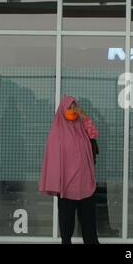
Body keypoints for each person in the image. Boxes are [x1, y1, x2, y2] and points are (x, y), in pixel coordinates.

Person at [39, 95, 99, 244]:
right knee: (66, 230)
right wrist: (56, 184)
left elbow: (94, 134)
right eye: (69, 107)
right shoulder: (57, 132)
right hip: (66, 188)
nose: (72, 110)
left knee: (89, 228)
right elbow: (52, 161)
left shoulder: (81, 127)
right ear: (62, 110)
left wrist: (83, 115)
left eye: (74, 107)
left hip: (86, 187)